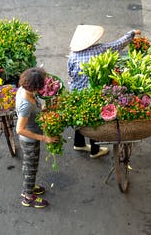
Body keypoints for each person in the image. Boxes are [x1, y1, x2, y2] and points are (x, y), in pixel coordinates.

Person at [68, 25, 141, 158]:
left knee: (80, 117)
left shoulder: (73, 55)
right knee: (93, 122)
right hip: (93, 94)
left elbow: (70, 73)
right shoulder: (101, 50)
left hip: (76, 93)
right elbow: (118, 44)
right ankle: (95, 151)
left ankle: (78, 143)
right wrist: (131, 33)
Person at [15, 68, 59, 208]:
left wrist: (43, 109)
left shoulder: (24, 90)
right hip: (30, 142)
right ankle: (27, 196)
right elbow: (20, 129)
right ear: (36, 86)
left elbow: (35, 110)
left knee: (29, 166)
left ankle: (30, 186)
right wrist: (44, 138)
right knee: (31, 168)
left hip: (32, 138)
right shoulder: (26, 104)